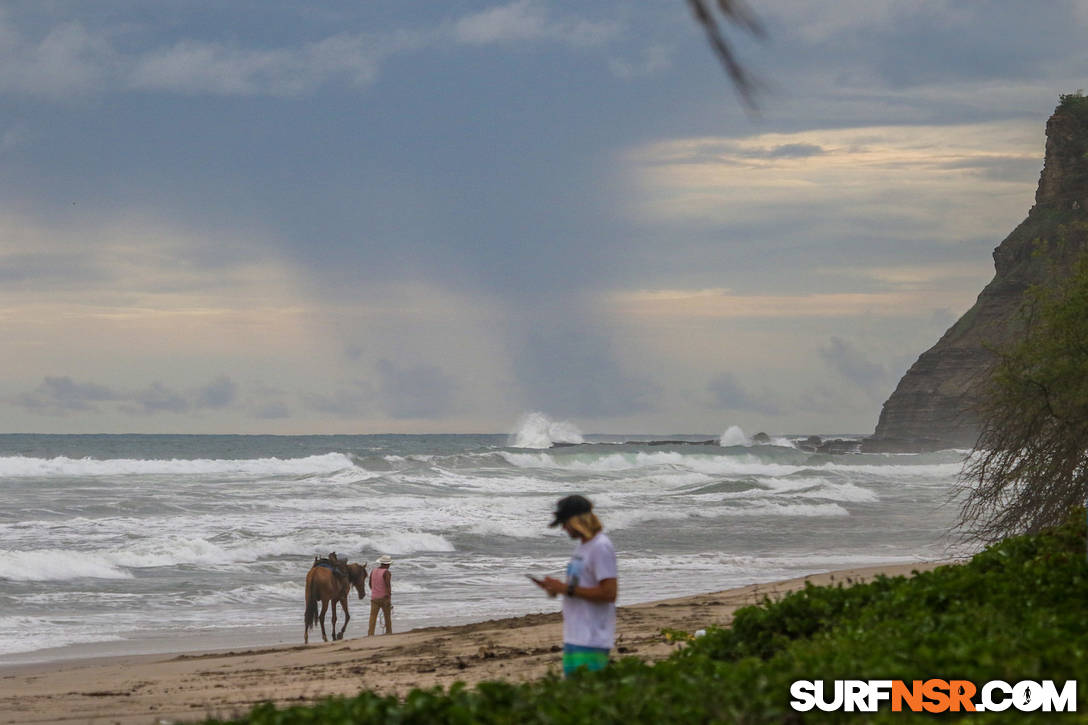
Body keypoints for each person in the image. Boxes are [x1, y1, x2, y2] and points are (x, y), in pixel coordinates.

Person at [534, 495, 618, 677]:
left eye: (565, 523)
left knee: (586, 697)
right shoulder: (583, 547)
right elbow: (581, 587)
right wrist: (555, 588)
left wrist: (566, 589)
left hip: (592, 638)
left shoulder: (600, 547)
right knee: (573, 696)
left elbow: (610, 593)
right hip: (574, 635)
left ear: (577, 520)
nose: (563, 528)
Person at [368, 554, 393, 635]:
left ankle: (370, 634)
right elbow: (388, 586)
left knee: (372, 617)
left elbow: (370, 584)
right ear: (387, 564)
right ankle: (388, 632)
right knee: (387, 616)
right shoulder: (386, 572)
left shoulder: (373, 571)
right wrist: (389, 597)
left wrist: (375, 591)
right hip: (384, 597)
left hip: (374, 597)